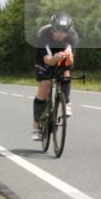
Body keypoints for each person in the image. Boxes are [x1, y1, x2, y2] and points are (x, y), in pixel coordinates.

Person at [31, 12, 78, 140]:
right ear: (52, 28)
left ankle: (66, 103)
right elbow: (48, 60)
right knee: (44, 88)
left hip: (62, 56)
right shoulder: (43, 35)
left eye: (64, 32)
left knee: (65, 72)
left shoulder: (72, 37)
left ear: (68, 31)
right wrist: (55, 58)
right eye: (57, 31)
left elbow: (71, 60)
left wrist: (67, 58)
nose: (60, 34)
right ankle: (36, 125)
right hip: (45, 59)